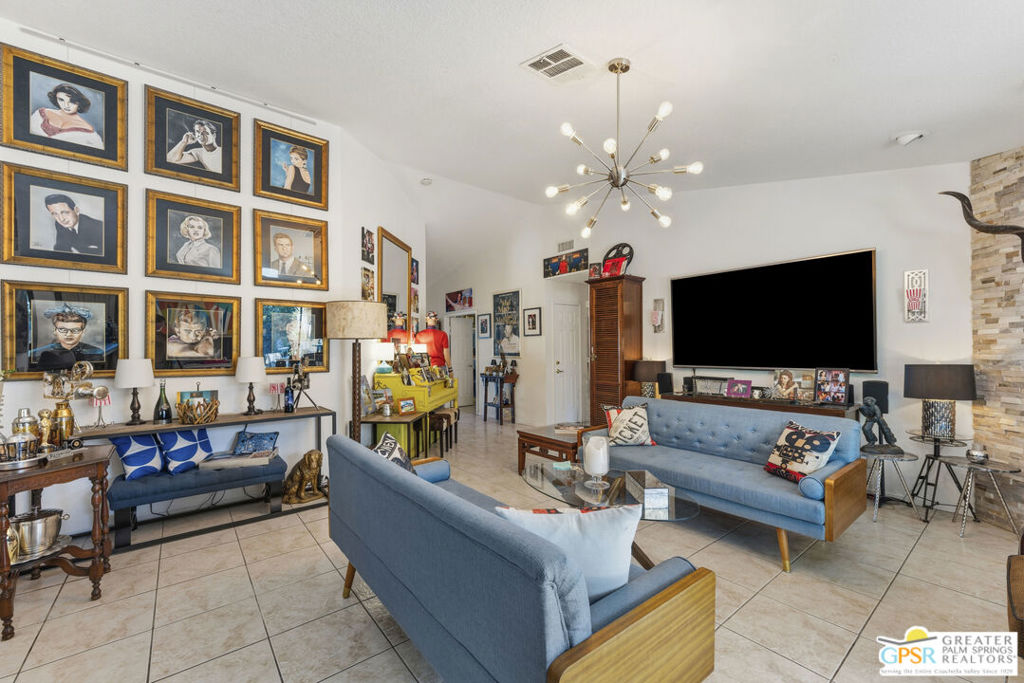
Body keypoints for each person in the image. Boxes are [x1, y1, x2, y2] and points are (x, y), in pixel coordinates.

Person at [29, 83, 103, 148]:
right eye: (61, 100)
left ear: (79, 102)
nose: (66, 105)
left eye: (72, 101)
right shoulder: (41, 113)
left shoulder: (88, 131)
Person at [33, 303, 105, 369]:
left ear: (83, 332)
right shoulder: (42, 353)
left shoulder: (96, 352)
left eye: (75, 330)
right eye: (63, 329)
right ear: (55, 330)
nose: (69, 334)